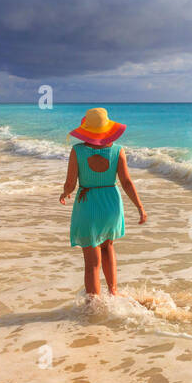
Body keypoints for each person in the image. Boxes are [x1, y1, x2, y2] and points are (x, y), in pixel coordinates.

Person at [59, 107, 147, 296]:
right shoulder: (117, 151)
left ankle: (93, 307)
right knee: (108, 248)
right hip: (111, 205)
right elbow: (127, 182)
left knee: (92, 264)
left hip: (88, 205)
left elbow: (70, 183)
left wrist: (65, 193)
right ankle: (113, 292)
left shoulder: (77, 151)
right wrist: (139, 207)